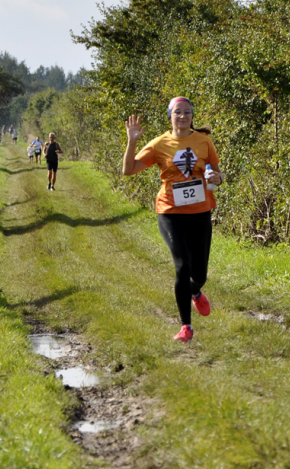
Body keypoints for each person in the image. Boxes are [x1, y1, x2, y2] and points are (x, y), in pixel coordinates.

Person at [122, 97, 223, 343]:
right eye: (178, 112)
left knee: (199, 274)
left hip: (200, 212)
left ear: (192, 116)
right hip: (170, 211)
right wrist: (132, 141)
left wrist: (217, 179)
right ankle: (185, 326)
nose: (183, 116)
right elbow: (129, 170)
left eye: (187, 112)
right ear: (170, 115)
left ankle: (196, 291)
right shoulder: (159, 144)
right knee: (182, 266)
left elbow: (216, 173)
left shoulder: (204, 141)